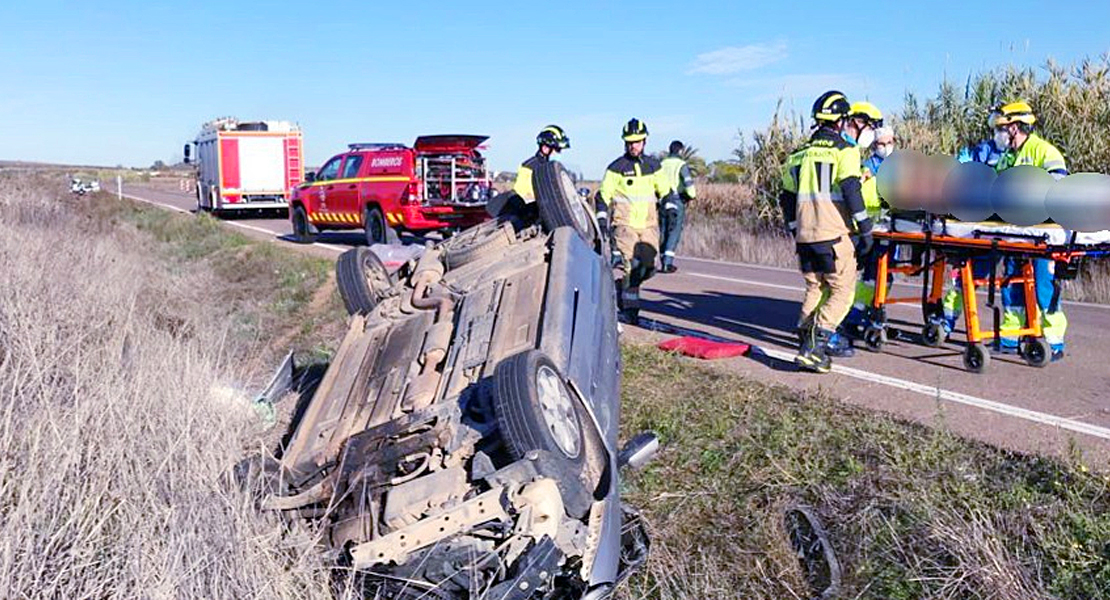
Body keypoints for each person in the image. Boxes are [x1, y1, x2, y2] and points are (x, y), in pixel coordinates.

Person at [779, 91, 875, 373]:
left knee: (814, 287)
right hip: (832, 235)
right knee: (843, 292)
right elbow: (850, 188)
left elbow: (785, 197)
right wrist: (865, 226)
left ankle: (803, 339)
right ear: (841, 121)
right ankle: (815, 344)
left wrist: (795, 227)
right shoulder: (845, 151)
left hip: (805, 236)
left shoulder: (796, 156)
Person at [992, 101, 1069, 360]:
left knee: (1044, 286)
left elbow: (1057, 187)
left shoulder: (1044, 151)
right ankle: (1010, 337)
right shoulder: (1007, 157)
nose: (999, 134)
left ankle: (1053, 341)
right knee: (1011, 283)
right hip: (1014, 232)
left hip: (1042, 231)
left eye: (1002, 128)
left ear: (1014, 127)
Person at [599, 118, 673, 323]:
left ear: (644, 141)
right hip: (624, 225)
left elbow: (665, 190)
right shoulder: (616, 167)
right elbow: (603, 196)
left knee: (649, 267)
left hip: (649, 225)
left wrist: (670, 205)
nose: (634, 146)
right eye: (630, 142)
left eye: (638, 142)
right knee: (631, 265)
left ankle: (619, 287)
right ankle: (630, 309)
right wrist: (602, 218)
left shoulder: (653, 166)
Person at [658, 140, 698, 273]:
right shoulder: (681, 165)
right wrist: (691, 195)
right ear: (680, 151)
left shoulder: (662, 164)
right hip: (676, 200)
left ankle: (663, 259)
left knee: (663, 229)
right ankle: (667, 263)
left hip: (662, 200)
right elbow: (688, 183)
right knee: (674, 230)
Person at [513, 125, 570, 202]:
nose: (559, 153)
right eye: (557, 149)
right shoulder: (529, 167)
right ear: (545, 148)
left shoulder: (549, 168)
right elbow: (522, 195)